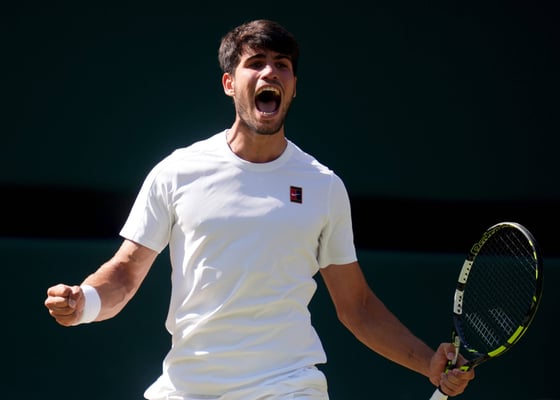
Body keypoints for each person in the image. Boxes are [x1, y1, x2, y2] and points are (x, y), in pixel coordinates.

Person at [44, 19, 474, 400]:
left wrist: (428, 363)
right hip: (189, 387)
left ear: (293, 86)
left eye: (281, 64)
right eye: (256, 63)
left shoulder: (323, 186)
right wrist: (86, 302)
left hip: (287, 387)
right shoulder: (176, 172)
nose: (270, 72)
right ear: (229, 83)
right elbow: (125, 274)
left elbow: (357, 307)